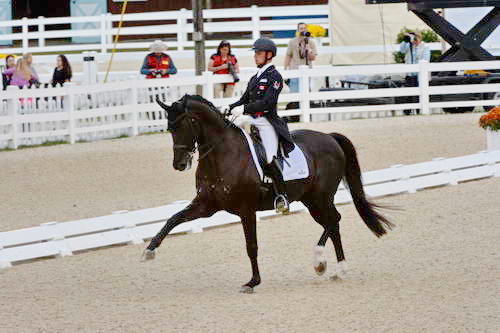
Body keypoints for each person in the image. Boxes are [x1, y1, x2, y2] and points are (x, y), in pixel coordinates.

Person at [223, 38, 295, 214]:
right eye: (255, 53)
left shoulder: (275, 77)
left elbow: (268, 103)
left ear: (269, 55)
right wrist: (231, 106)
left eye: (259, 53)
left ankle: (282, 197)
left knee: (270, 157)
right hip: (251, 120)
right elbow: (244, 99)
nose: (255, 56)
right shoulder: (255, 77)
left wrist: (244, 109)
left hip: (267, 122)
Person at [400, 31, 430, 115]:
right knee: (408, 93)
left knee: (419, 94)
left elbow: (425, 59)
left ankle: (419, 111)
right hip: (409, 74)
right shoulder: (409, 45)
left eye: (416, 38)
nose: (415, 40)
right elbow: (401, 50)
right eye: (414, 38)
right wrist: (405, 40)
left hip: (420, 75)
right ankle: (407, 112)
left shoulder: (425, 46)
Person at [284, 22, 318, 93]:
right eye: (301, 28)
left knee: (305, 92)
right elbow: (288, 56)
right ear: (298, 30)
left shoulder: (311, 42)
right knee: (294, 92)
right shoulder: (292, 41)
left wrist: (308, 50)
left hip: (307, 70)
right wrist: (285, 69)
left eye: (304, 28)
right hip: (294, 70)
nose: (303, 30)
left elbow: (313, 58)